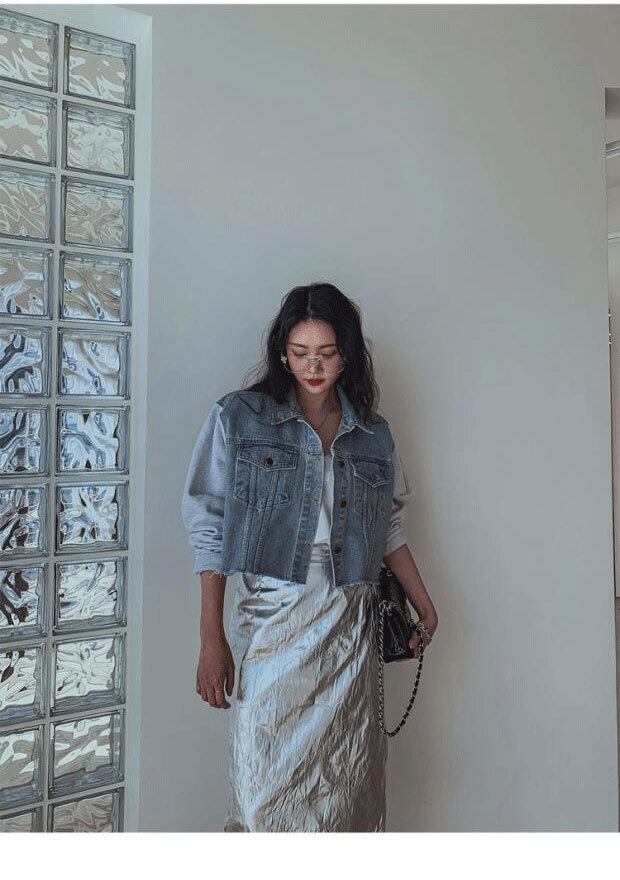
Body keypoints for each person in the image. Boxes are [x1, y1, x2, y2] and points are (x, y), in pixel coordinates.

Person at [181, 282, 438, 832]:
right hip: (271, 620)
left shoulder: (373, 433)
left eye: (326, 353)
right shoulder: (239, 418)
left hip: (349, 625)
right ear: (282, 353)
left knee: (347, 790)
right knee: (262, 794)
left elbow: (389, 528)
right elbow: (209, 527)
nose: (313, 367)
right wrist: (211, 638)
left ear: (347, 355)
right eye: (300, 353)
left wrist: (425, 603)